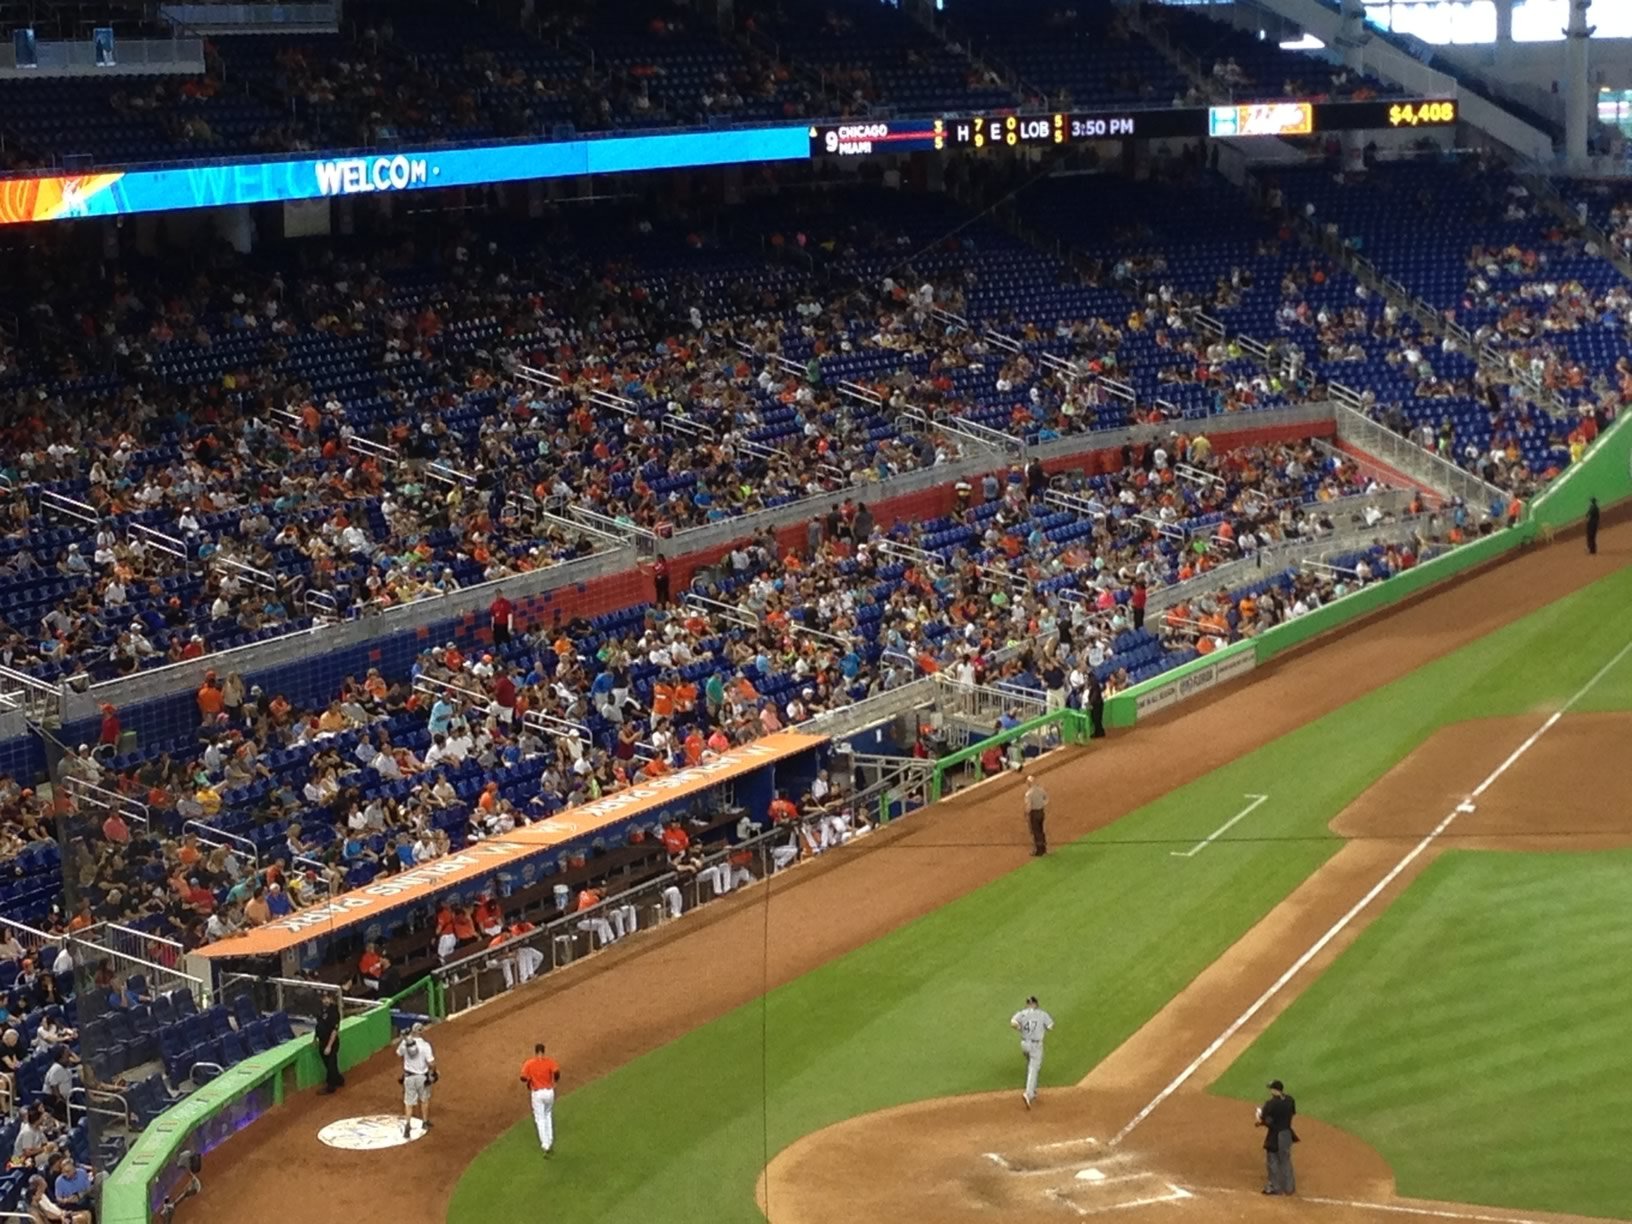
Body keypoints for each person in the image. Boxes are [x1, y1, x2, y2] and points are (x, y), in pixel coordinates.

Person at [1010, 995, 1054, 1109]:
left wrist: (1020, 1028)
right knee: (1033, 1068)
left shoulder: (1022, 1013)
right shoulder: (1042, 1014)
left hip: (1024, 1044)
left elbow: (1013, 1022)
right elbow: (1050, 1026)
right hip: (1035, 1045)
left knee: (1031, 1063)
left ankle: (1033, 1091)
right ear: (1036, 1004)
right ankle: (1028, 1094)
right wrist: (1041, 1029)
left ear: (1027, 1004)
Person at [519, 1042, 562, 1156]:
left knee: (540, 1118)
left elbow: (522, 1077)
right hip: (549, 1093)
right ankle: (550, 1139)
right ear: (543, 1051)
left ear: (535, 1051)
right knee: (548, 1114)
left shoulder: (529, 1063)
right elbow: (556, 1072)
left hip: (537, 1094)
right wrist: (555, 1081)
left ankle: (545, 1144)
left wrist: (529, 1080)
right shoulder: (549, 1062)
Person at [1257, 1079, 1298, 1195]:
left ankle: (1274, 1187)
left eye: (1271, 1089)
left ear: (1275, 1090)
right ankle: (1289, 1188)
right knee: (1285, 1160)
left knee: (1272, 1160)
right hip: (1287, 1133)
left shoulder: (1271, 1104)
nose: (1270, 1091)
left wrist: (1260, 1119)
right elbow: (1292, 1113)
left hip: (1275, 1135)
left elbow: (1265, 1120)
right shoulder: (1290, 1100)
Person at [396, 1022, 436, 1139]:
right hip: (422, 1077)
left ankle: (408, 1125)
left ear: (412, 1031)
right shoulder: (425, 1045)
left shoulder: (405, 1043)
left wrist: (404, 1042)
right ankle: (424, 1122)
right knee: (424, 1099)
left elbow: (398, 1053)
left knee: (409, 1103)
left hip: (408, 1077)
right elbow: (431, 1062)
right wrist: (434, 1071)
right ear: (421, 1031)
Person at [315, 992, 344, 1094]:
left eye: (327, 998)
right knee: (328, 1063)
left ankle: (330, 1086)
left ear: (331, 999)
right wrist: (315, 1039)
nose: (325, 1000)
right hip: (322, 1041)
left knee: (331, 1064)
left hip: (331, 1042)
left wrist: (329, 1046)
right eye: (324, 998)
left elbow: (334, 1031)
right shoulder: (322, 1010)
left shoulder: (334, 1012)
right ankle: (339, 1079)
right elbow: (318, 1025)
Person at [1023, 775, 1048, 856]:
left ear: (1029, 783)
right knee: (1041, 830)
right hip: (1041, 812)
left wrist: (1026, 814)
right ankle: (1044, 849)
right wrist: (1042, 805)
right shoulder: (1041, 790)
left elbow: (1029, 806)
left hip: (1034, 814)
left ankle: (1039, 850)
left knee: (1036, 832)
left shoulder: (1028, 794)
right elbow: (1046, 798)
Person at [1086, 671, 1106, 740]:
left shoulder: (1094, 684)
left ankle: (1099, 732)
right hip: (1098, 703)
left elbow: (1095, 695)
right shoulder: (1095, 683)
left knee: (1096, 719)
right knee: (1097, 719)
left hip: (1097, 704)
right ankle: (1100, 731)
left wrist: (1090, 702)